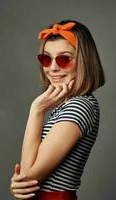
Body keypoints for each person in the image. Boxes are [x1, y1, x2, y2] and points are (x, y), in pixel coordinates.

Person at [9, 19, 105, 200]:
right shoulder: (67, 105)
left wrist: (36, 110)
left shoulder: (79, 106)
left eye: (64, 59)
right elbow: (27, 179)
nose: (52, 68)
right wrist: (19, 183)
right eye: (46, 58)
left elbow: (29, 177)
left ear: (84, 61)